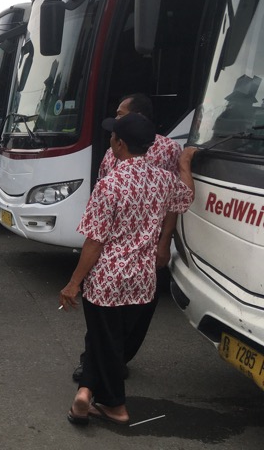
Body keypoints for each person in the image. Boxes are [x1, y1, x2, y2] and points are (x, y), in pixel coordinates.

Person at [59, 113, 196, 426]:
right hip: (142, 278)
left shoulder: (110, 185)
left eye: (112, 137)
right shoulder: (163, 179)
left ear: (119, 144)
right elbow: (185, 198)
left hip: (106, 279)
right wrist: (185, 166)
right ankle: (85, 392)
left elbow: (94, 242)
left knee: (104, 338)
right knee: (108, 339)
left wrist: (73, 283)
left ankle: (115, 405)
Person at [71, 93, 183, 382]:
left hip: (137, 251)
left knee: (125, 315)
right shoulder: (116, 155)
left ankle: (110, 367)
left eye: (121, 114)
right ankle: (97, 364)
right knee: (111, 317)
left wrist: (164, 242)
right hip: (127, 250)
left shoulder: (168, 150)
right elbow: (179, 197)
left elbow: (173, 203)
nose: (116, 120)